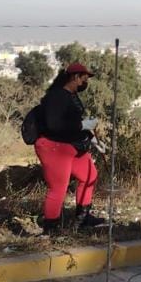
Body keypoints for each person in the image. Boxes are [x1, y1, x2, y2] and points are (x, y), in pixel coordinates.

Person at [34, 62, 104, 233]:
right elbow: (54, 125)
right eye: (84, 79)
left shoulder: (71, 95)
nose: (85, 84)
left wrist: (92, 138)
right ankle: (51, 228)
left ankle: (82, 218)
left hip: (73, 146)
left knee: (89, 176)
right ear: (75, 77)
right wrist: (82, 125)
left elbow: (74, 122)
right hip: (54, 147)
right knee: (58, 187)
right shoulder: (56, 96)